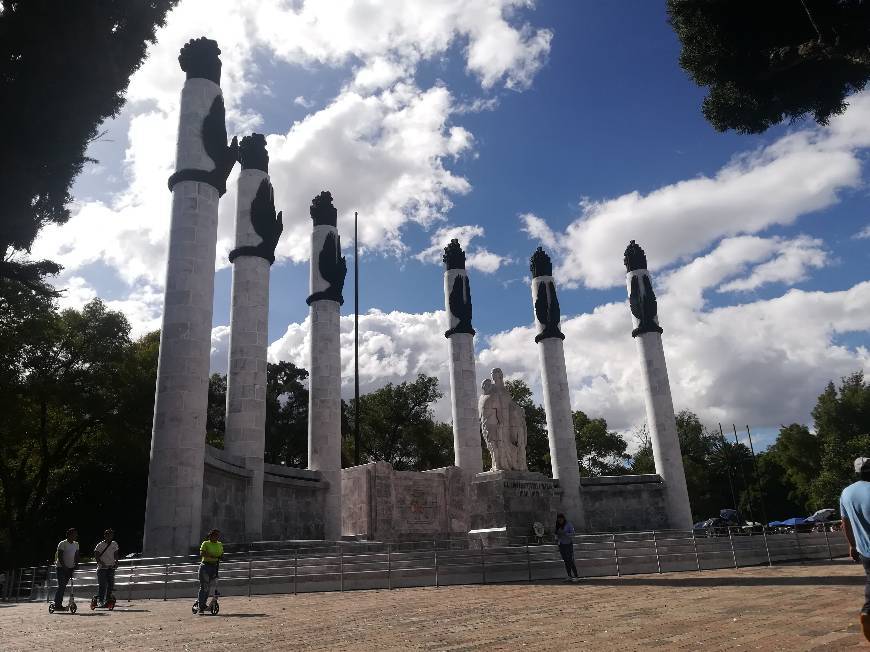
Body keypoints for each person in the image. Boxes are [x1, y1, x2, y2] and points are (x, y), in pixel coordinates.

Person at [840, 457, 870, 642]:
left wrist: (852, 545)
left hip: (864, 549)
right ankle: (868, 609)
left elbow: (845, 523)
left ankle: (868, 611)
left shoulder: (846, 493)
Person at [197, 529, 223, 613]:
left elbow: (221, 553)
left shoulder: (219, 544)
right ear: (211, 536)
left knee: (209, 587)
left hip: (215, 566)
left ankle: (204, 604)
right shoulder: (205, 543)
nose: (217, 537)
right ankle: (201, 606)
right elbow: (202, 553)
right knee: (204, 586)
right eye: (215, 535)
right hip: (205, 566)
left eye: (218, 535)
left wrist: (221, 556)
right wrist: (212, 556)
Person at [53, 528, 79, 609]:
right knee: (62, 586)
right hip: (61, 568)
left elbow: (76, 555)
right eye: (74, 534)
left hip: (70, 568)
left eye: (76, 534)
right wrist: (64, 566)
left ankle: (59, 602)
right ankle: (57, 604)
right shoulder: (62, 543)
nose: (76, 535)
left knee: (64, 586)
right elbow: (60, 556)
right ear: (69, 535)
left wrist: (76, 564)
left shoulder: (76, 544)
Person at [93, 528, 119, 607]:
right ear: (105, 535)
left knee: (111, 584)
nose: (110, 536)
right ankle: (101, 600)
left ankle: (107, 599)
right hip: (102, 568)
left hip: (111, 567)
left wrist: (116, 562)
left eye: (111, 535)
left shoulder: (114, 544)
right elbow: (96, 555)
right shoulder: (100, 545)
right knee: (103, 585)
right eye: (108, 535)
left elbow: (116, 554)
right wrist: (101, 563)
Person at [554, 513, 579, 581]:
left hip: (568, 544)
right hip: (561, 544)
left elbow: (573, 534)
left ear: (563, 519)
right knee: (565, 561)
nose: (560, 521)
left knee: (570, 560)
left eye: (561, 519)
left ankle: (576, 576)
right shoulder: (558, 525)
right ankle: (569, 575)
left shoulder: (568, 524)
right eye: (558, 520)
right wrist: (556, 538)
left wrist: (565, 533)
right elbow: (556, 533)